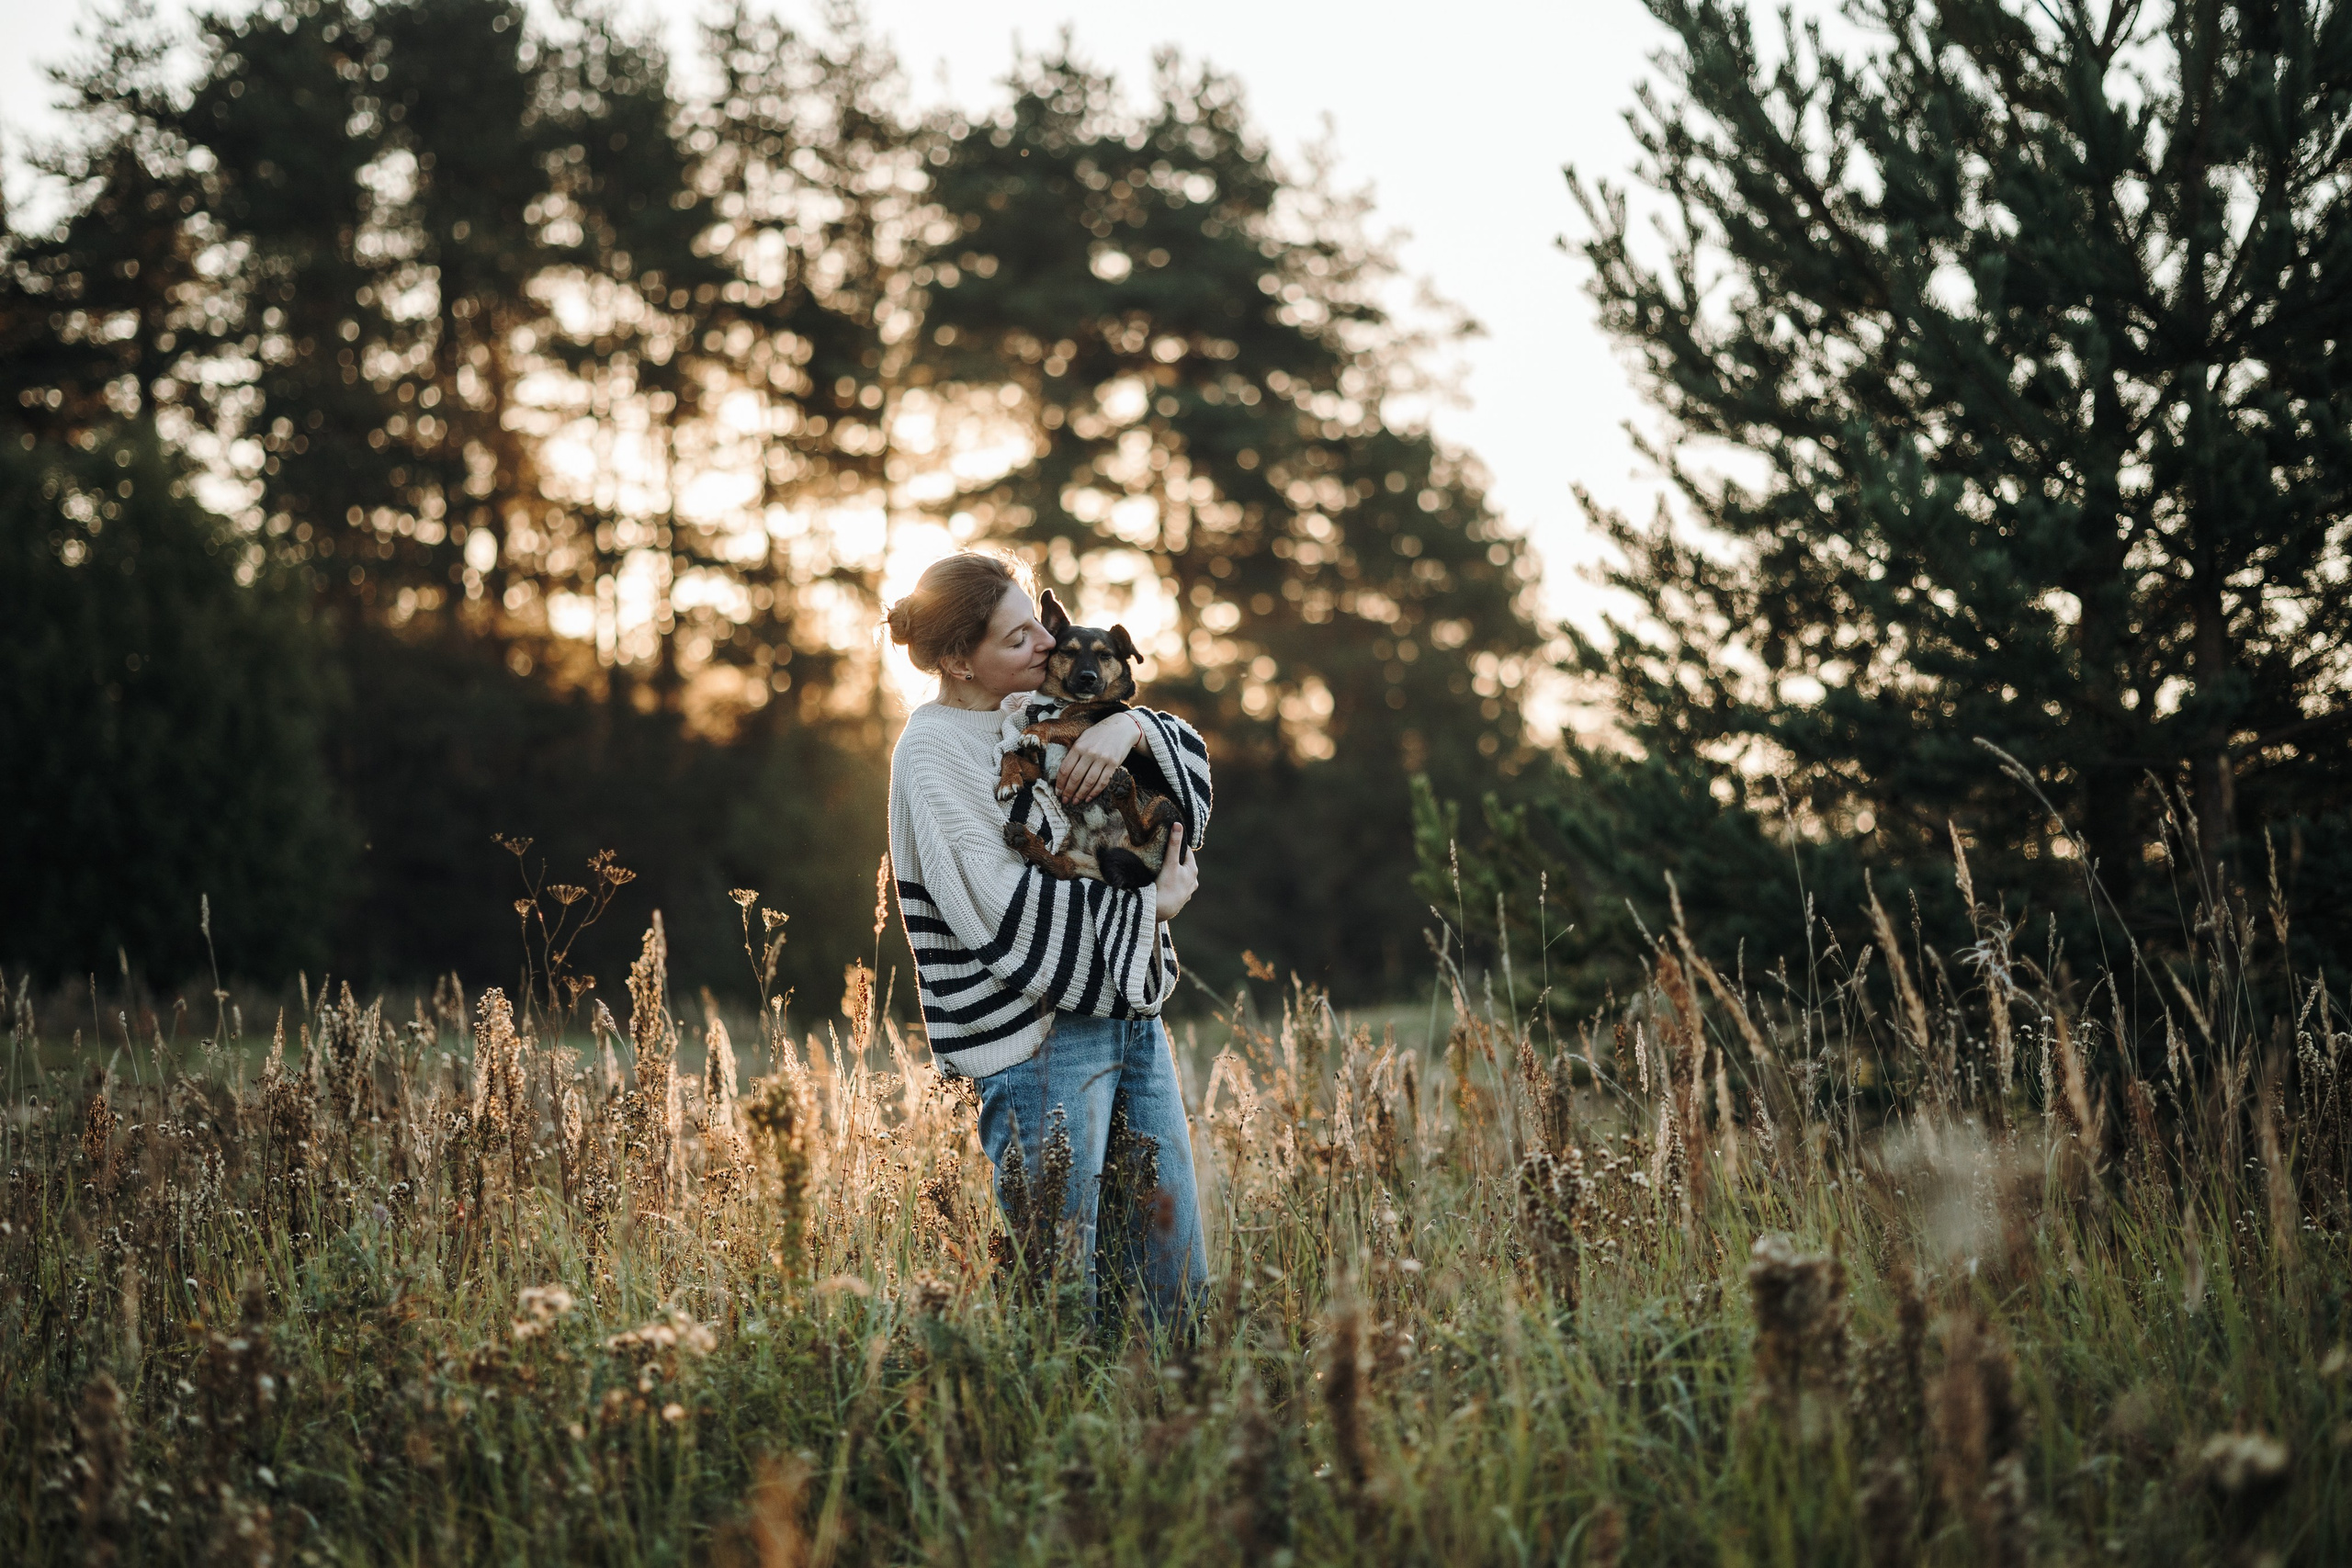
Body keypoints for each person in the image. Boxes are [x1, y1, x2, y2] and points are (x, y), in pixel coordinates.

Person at [883, 551, 1212, 1327]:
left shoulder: (1029, 715)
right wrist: (1149, 911)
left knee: (1173, 1283)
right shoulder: (932, 750)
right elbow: (999, 909)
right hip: (1037, 1042)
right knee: (1065, 1298)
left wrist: (1130, 723)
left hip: (1130, 1016)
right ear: (960, 659)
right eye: (1017, 636)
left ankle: (1172, 1436)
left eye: (1038, 623)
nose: (1046, 644)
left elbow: (1192, 787)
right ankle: (1057, 1444)